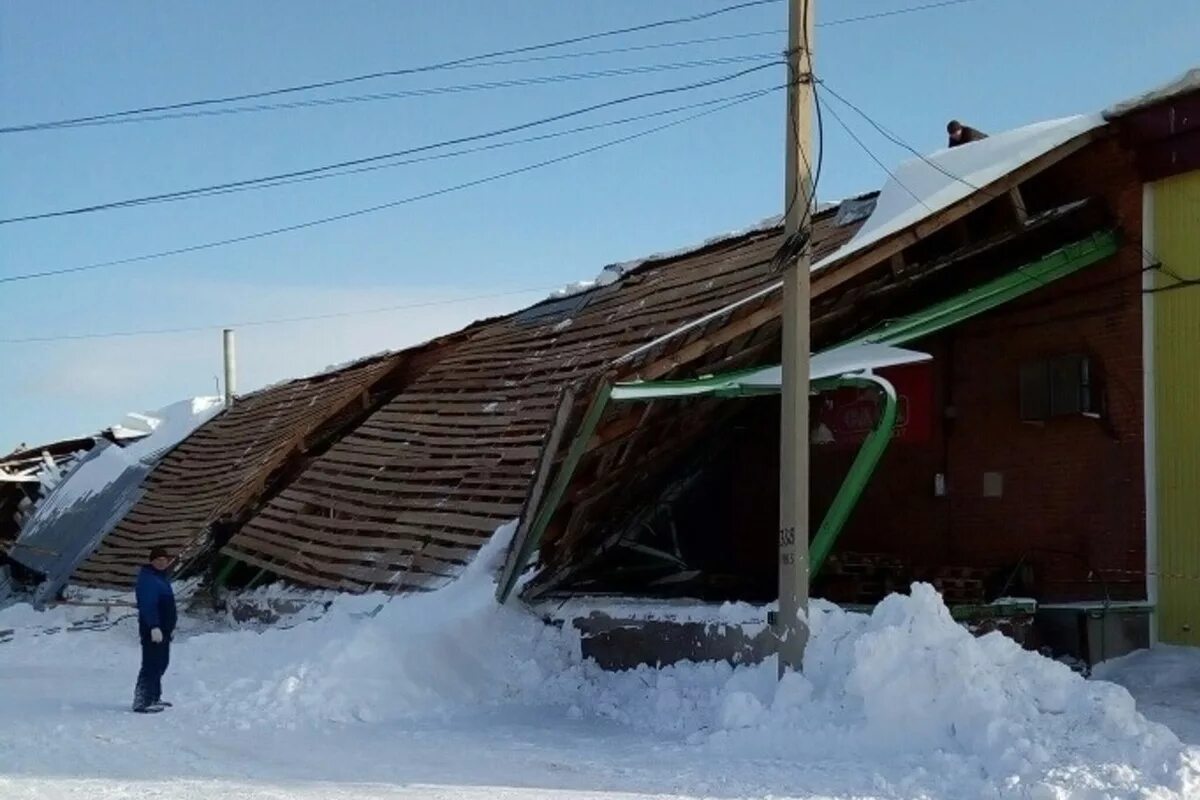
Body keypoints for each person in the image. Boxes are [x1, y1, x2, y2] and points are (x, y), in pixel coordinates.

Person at [132, 546, 177, 713]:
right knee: (151, 664)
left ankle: (154, 696)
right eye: (157, 560)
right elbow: (148, 605)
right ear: (151, 561)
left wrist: (169, 627)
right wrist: (153, 626)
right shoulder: (148, 579)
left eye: (164, 560)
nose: (161, 563)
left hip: (163, 629)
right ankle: (142, 701)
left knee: (161, 663)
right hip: (153, 629)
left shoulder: (161, 578)